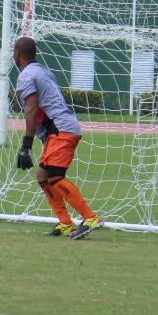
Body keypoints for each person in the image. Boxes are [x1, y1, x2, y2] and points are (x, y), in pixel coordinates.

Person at [13, 36, 102, 238]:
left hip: (61, 129)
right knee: (43, 175)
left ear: (17, 53)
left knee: (55, 176)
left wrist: (26, 145)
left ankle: (90, 217)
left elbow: (32, 109)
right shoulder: (43, 71)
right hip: (60, 128)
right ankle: (65, 222)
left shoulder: (26, 76)